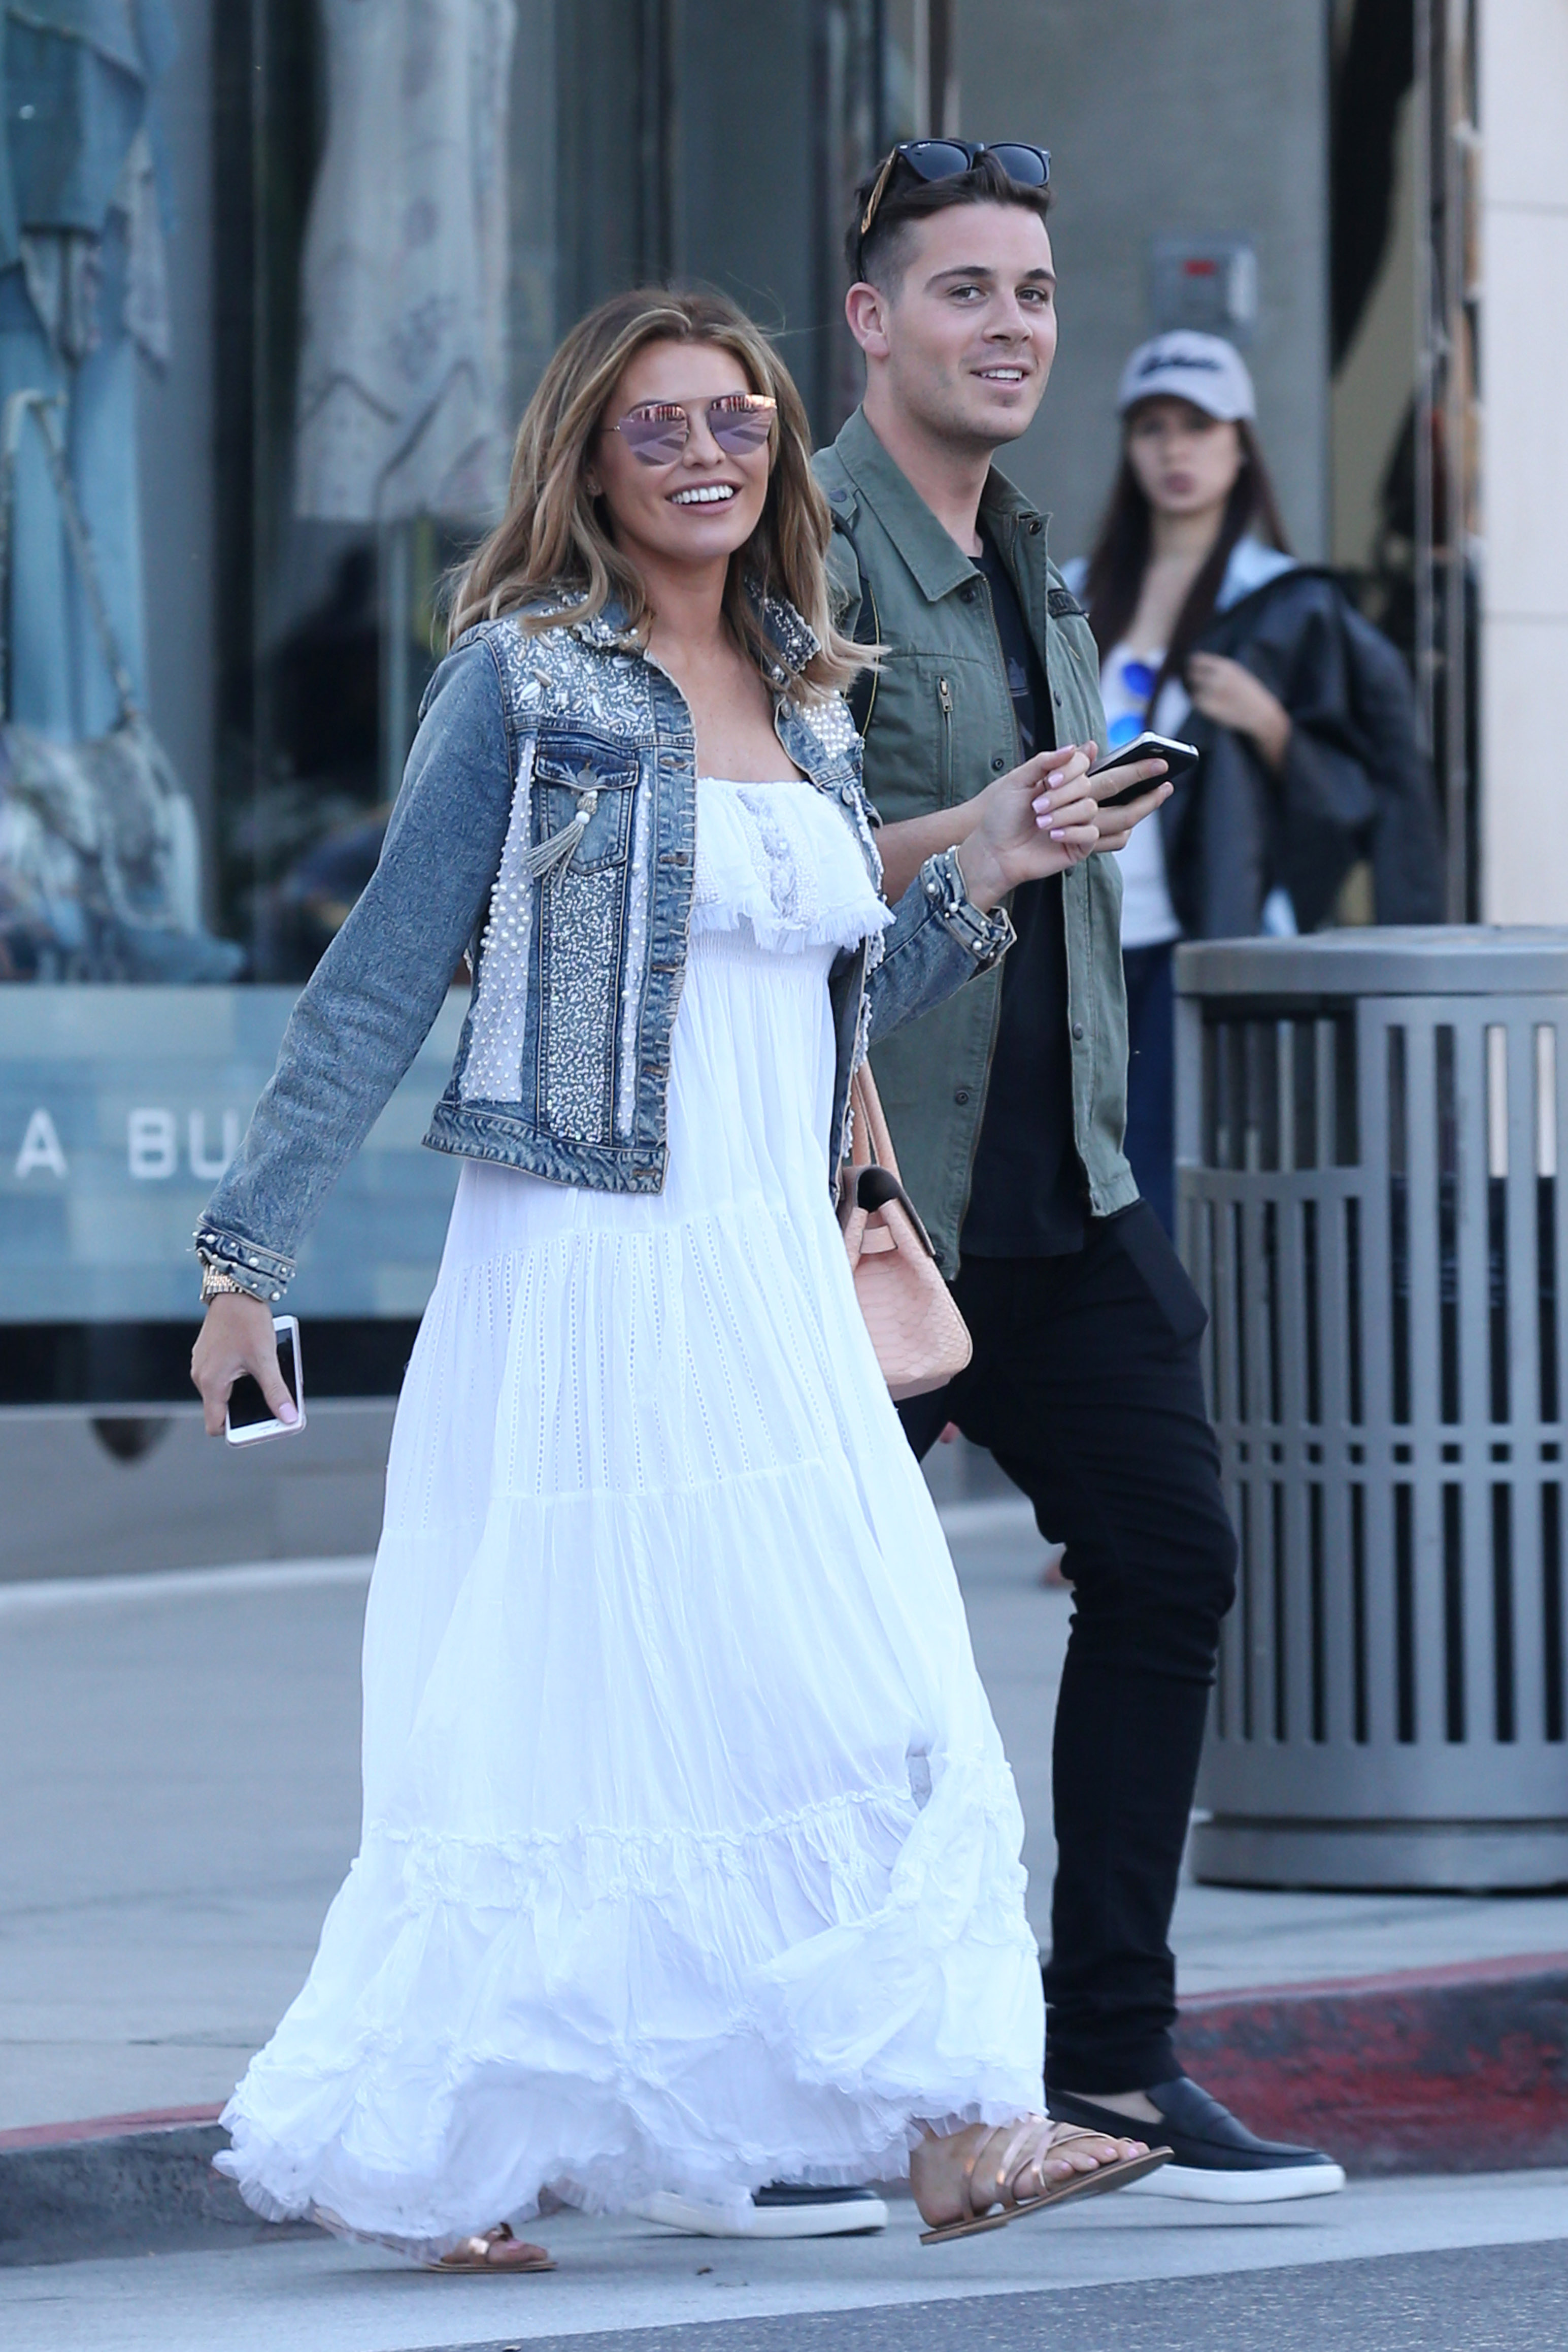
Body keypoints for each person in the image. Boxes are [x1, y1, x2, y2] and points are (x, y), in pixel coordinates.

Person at [188, 285, 1162, 2270]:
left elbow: (821, 1010)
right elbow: (379, 976)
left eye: (737, 420)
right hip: (588, 1262)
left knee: (868, 1682)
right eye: (659, 425)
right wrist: (244, 1262)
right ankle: (443, 2147)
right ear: (589, 454)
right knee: (561, 1713)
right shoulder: (528, 680)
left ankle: (954, 2120)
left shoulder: (811, 693)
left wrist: (986, 867)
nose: (706, 455)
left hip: (767, 1273)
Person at [814, 142, 1347, 2201]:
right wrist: (990, 828)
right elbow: (777, 856)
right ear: (872, 320)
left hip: (1067, 1191)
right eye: (965, 291)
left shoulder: (1041, 555)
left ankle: (1109, 2060)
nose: (1010, 327)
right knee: (810, 1651)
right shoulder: (811, 551)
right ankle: (798, 2087)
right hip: (877, 1200)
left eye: (1032, 293)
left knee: (1170, 1560)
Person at [1068, 329, 1445, 1229]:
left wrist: (1268, 722)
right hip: (1077, 934)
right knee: (1070, 1182)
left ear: (1241, 444)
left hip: (1200, 939)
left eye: (1199, 426)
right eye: (1153, 427)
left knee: (1161, 1190)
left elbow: (1361, 797)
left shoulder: (1289, 604)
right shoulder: (1072, 591)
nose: (1176, 450)